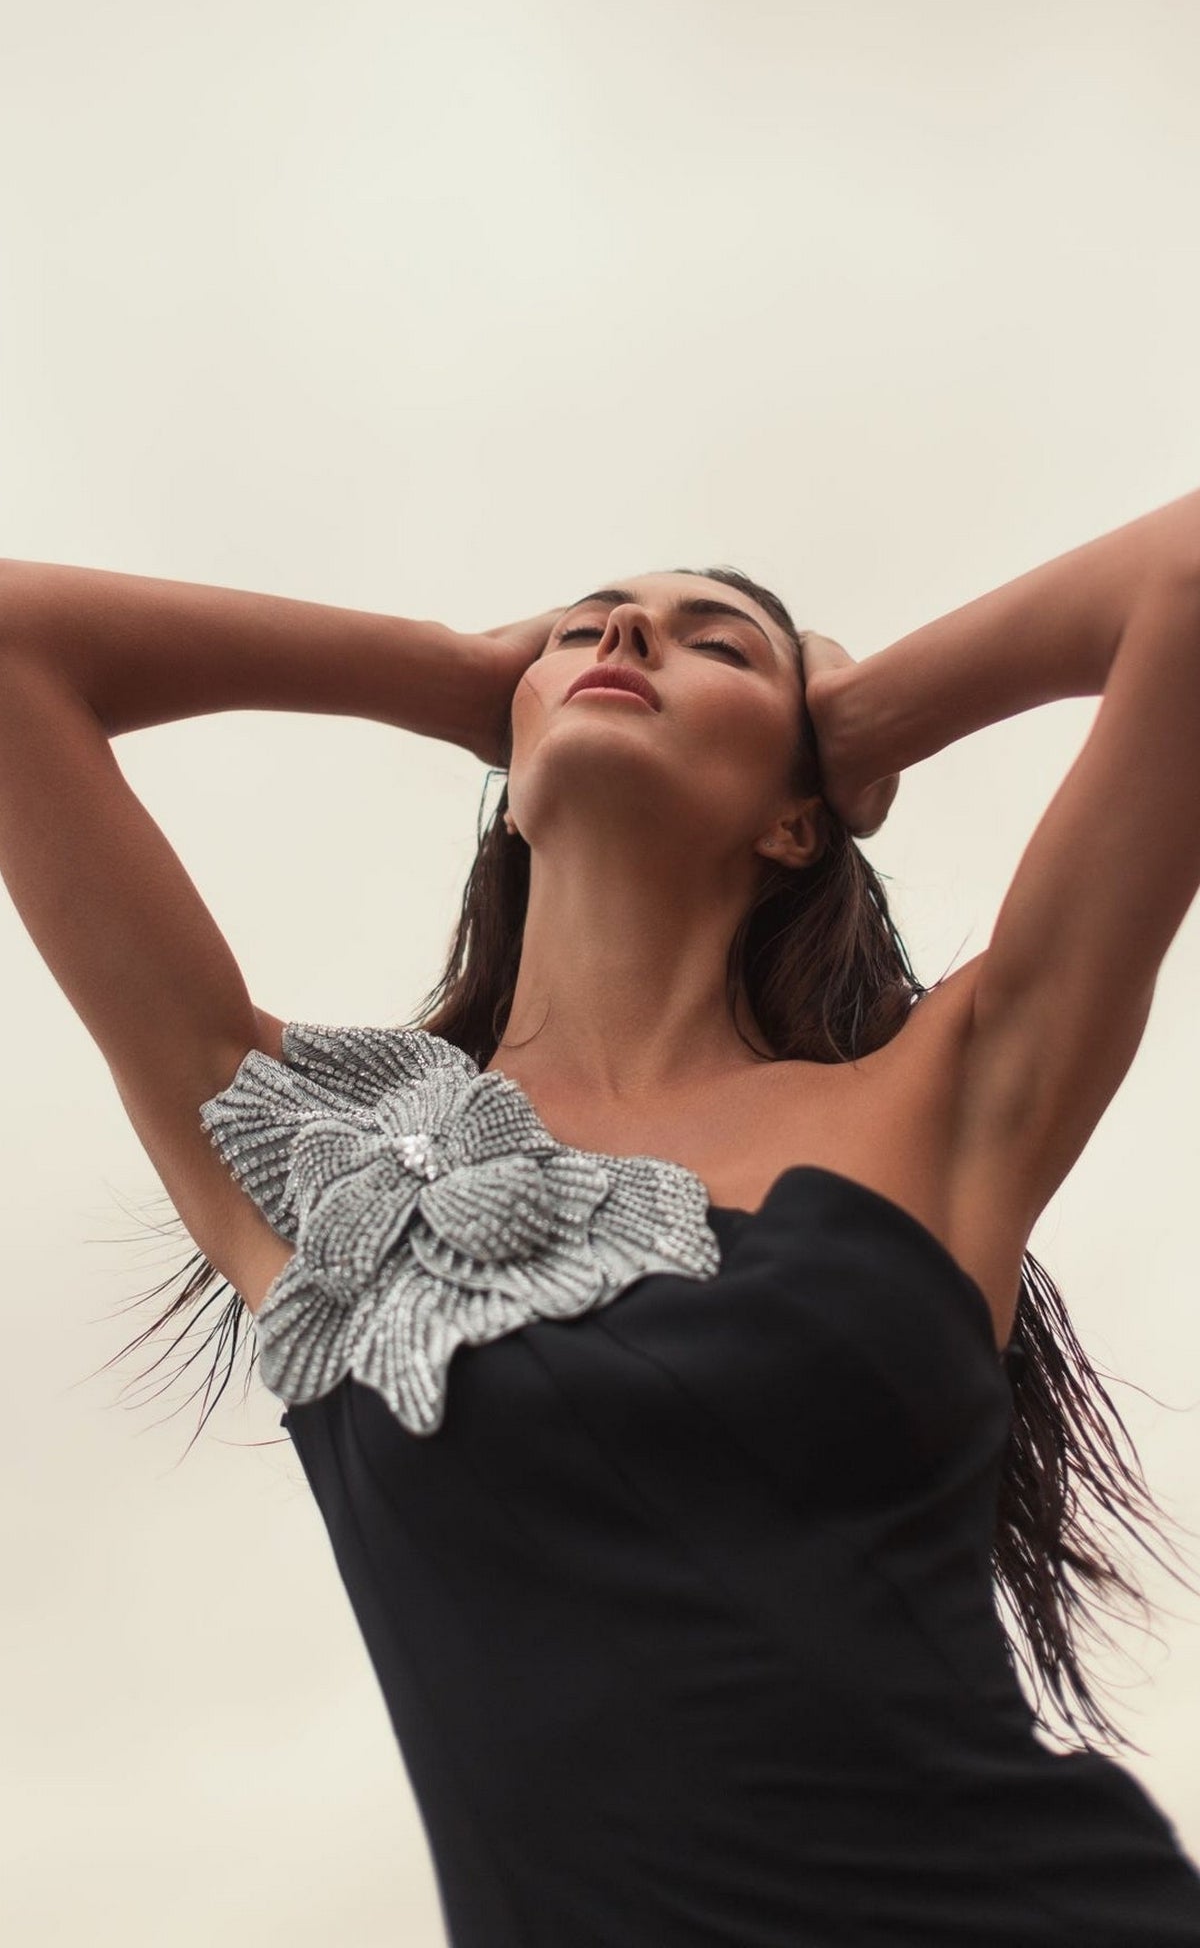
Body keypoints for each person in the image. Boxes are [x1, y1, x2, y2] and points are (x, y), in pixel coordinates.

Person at [2, 499, 1200, 1945]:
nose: (626, 634)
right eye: (585, 623)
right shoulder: (297, 1143)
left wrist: (872, 714)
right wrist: (457, 675)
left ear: (796, 813)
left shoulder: (948, 1100)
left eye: (721, 650)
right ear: (509, 786)